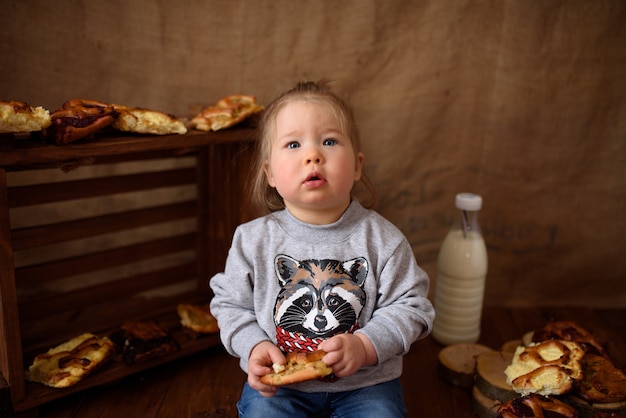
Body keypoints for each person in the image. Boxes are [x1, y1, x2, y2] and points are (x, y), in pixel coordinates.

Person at [209, 81, 434, 417]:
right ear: (270, 172)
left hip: (366, 384)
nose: (312, 155)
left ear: (357, 166)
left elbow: (413, 307)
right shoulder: (252, 239)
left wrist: (365, 345)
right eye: (293, 144)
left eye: (329, 141)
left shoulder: (383, 239)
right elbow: (230, 304)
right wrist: (253, 345)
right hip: (282, 386)